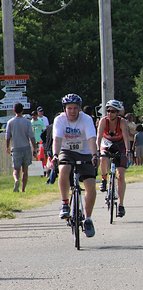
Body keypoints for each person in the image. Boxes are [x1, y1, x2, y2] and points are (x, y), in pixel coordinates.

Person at [52, 93, 98, 238]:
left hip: (85, 152)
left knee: (90, 185)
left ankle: (88, 218)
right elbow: (57, 139)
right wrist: (55, 155)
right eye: (69, 108)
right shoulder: (60, 120)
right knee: (64, 168)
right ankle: (65, 203)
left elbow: (91, 138)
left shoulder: (86, 119)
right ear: (64, 109)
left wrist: (94, 155)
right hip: (66, 151)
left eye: (75, 108)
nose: (72, 111)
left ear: (79, 109)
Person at [97, 100, 130, 217]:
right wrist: (97, 150)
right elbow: (99, 137)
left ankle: (121, 205)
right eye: (108, 111)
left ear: (117, 113)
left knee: (121, 175)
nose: (110, 113)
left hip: (119, 144)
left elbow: (126, 138)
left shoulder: (122, 122)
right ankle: (104, 179)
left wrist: (128, 151)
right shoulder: (103, 121)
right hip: (106, 143)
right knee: (103, 158)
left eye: (113, 111)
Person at [5, 102, 37, 192]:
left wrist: (7, 147)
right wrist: (34, 148)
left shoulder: (10, 122)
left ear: (14, 110)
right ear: (22, 110)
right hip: (26, 147)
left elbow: (7, 136)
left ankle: (16, 180)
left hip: (15, 148)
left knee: (16, 169)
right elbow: (31, 136)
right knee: (25, 170)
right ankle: (23, 189)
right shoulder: (27, 122)